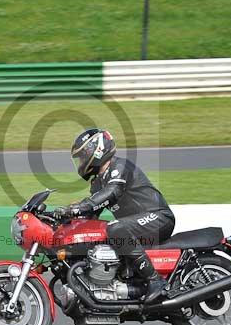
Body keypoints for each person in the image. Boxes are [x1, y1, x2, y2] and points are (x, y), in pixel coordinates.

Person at [55, 129, 175, 304]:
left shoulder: (120, 166)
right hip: (136, 226)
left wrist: (80, 206)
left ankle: (156, 281)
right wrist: (64, 221)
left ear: (96, 150)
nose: (81, 161)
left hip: (158, 217)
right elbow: (89, 216)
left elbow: (113, 192)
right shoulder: (97, 182)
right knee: (99, 235)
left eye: (82, 156)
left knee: (114, 227)